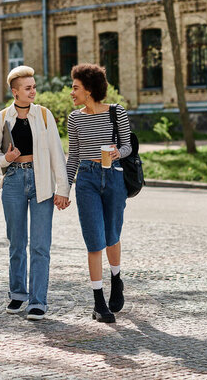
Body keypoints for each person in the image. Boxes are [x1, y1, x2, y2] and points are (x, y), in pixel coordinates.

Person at [0, 65, 70, 320]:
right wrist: (6, 158)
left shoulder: (44, 116)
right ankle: (18, 294)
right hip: (12, 181)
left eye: (34, 86)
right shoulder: (1, 118)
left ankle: (38, 301)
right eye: (28, 87)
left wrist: (63, 189)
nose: (33, 91)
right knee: (17, 243)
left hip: (42, 182)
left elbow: (57, 153)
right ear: (15, 91)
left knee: (41, 245)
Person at [66, 63, 132, 323]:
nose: (72, 92)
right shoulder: (75, 117)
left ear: (89, 90)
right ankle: (98, 303)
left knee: (112, 235)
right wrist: (65, 189)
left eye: (75, 88)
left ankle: (116, 279)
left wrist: (118, 152)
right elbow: (73, 157)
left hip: (114, 176)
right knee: (94, 240)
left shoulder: (117, 113)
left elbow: (127, 146)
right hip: (87, 180)